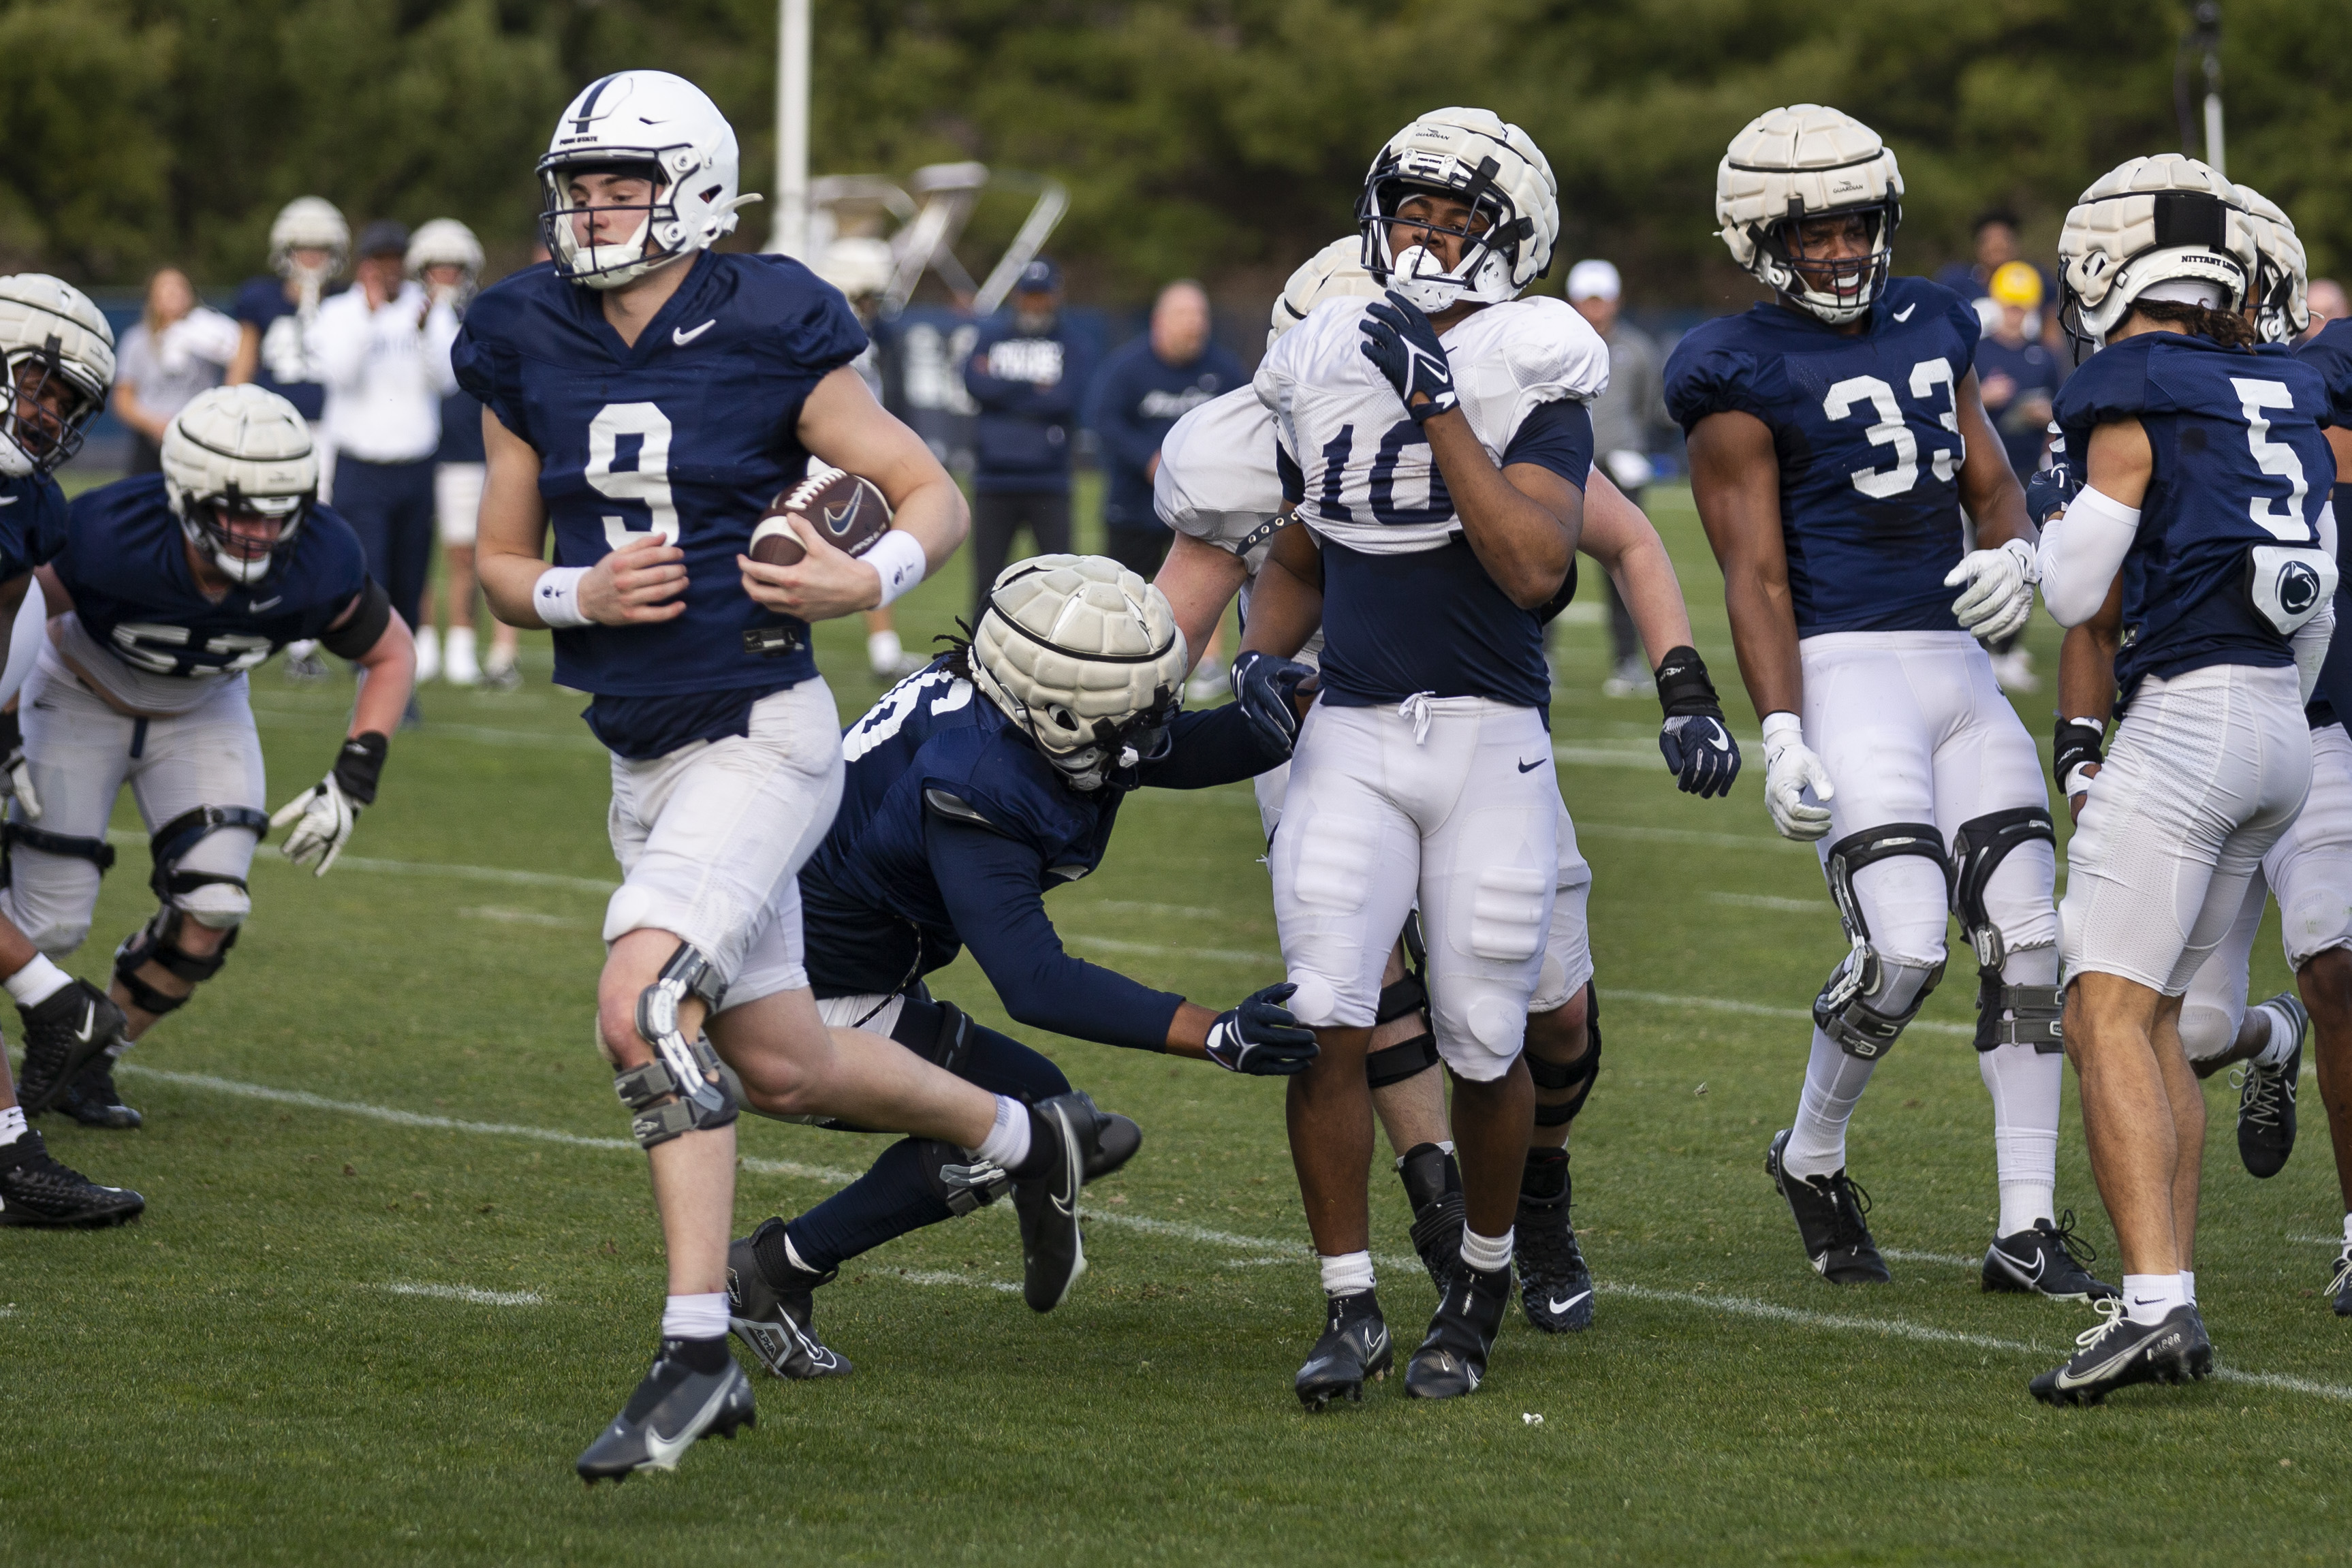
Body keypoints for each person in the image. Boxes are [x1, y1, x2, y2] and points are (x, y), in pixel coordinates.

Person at [460, 70, 1107, 1481]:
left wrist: (857, 574)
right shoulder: (514, 333)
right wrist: (579, 592)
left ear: (693, 187)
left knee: (644, 1008)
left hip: (759, 730)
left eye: (619, 182)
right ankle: (1020, 1130)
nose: (588, 208)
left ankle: (697, 1350)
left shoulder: (770, 319)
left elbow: (923, 486)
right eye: (576, 183)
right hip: (637, 750)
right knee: (786, 1064)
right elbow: (502, 569)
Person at [1155, 237, 1740, 1338]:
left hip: (1482, 734)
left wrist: (1685, 686)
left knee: (1546, 1012)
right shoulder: (1265, 443)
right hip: (1323, 734)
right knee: (1354, 993)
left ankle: (1536, 1196)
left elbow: (1618, 545)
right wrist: (1129, 697)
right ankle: (1436, 1207)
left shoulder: (1488, 415)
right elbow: (1170, 624)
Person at [1667, 105, 2110, 1304]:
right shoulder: (1732, 370)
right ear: (1759, 238)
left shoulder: (1927, 318)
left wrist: (2013, 552)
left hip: (1957, 670)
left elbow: (1989, 478)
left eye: (1857, 224)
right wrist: (1778, 727)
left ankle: (2024, 1222)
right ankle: (1809, 1153)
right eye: (1813, 232)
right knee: (1904, 946)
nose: (1842, 249)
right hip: (1846, 668)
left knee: (2029, 943)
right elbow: (1751, 574)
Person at [726, 554, 1315, 1377]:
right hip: (793, 1006)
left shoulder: (1008, 689)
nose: (1144, 736)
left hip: (816, 961)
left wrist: (1269, 722)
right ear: (1052, 705)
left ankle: (794, 1264)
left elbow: (1143, 742)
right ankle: (773, 1270)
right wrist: (1213, 1032)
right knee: (1016, 1131)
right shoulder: (975, 780)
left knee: (1044, 1109)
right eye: (1123, 720)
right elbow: (1033, 980)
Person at [1237, 106, 1605, 1407]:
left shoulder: (1534, 365)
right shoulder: (1321, 350)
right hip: (1349, 729)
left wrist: (1438, 402)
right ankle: (1348, 1301)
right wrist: (1254, 661)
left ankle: (1480, 1281)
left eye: (1458, 222)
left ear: (1513, 244)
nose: (1427, 239)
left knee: (1481, 1030)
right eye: (1412, 213)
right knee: (1324, 1015)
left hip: (1486, 735)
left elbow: (1535, 567)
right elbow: (1294, 545)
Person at [2027, 157, 2334, 1404]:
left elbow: (2066, 593)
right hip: (2278, 725)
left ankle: (2150, 1303)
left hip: (2187, 720)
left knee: (2100, 1011)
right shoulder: (2284, 386)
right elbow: (2313, 604)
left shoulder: (2128, 386)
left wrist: (2023, 554)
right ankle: (2171, 1293)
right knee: (2156, 1019)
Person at [5, 385, 417, 1129]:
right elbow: (15, 609)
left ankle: (91, 1061)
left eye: (276, 510)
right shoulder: (109, 533)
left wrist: (355, 773)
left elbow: (390, 652)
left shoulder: (323, 556)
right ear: (186, 496)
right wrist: (5, 723)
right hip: (76, 693)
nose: (259, 531)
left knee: (214, 905)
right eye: (237, 509)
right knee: (49, 925)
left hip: (203, 709)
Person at [0, 272, 144, 1225]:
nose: (48, 414)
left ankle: (10, 1148)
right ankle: (53, 1000)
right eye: (36, 384)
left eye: (67, 401)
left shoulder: (29, 506)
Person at [313, 221, 458, 715]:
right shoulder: (340, 312)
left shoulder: (428, 310)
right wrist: (369, 318)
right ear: (366, 266)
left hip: (414, 465)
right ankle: (371, 672)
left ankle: (399, 674)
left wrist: (421, 333)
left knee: (410, 578)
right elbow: (337, 374)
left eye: (398, 262)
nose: (391, 272)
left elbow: (451, 378)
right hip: (361, 464)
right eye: (382, 262)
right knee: (369, 574)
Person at [405, 219, 520, 691]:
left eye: (453, 267)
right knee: (414, 551)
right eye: (437, 266)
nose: (445, 274)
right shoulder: (400, 314)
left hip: (467, 448)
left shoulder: (483, 314)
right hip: (412, 446)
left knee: (462, 553)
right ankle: (422, 639)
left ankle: (461, 642)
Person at [813, 235, 924, 680]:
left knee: (874, 545)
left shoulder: (865, 334)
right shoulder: (819, 333)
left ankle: (884, 650)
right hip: (821, 459)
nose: (872, 304)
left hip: (857, 454)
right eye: (866, 295)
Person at [1088, 281, 1244, 586]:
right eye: (1184, 314)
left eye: (1201, 315)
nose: (1195, 323)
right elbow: (1106, 421)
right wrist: (1150, 459)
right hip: (1136, 508)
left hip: (1204, 509)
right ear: (1159, 321)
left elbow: (1247, 423)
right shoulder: (1126, 369)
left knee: (1200, 602)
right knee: (1124, 602)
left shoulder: (1224, 370)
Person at [1565, 258, 1672, 696]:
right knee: (1550, 561)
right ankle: (1541, 657)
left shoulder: (1637, 348)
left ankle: (1627, 662)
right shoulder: (1555, 344)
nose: (1594, 309)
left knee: (1625, 566)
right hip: (1567, 462)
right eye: (1587, 300)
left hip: (1621, 463)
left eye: (1601, 299)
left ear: (1616, 301)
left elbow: (1649, 406)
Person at [963, 257, 1086, 626]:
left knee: (1063, 580)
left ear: (1055, 296)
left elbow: (1067, 398)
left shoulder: (1072, 341)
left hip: (1049, 480)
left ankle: (1065, 654)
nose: (1035, 303)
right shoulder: (990, 335)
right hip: (993, 479)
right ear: (1017, 297)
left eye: (1042, 295)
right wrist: (1032, 389)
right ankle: (978, 656)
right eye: (1029, 295)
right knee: (986, 580)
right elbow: (973, 383)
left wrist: (1003, 391)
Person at [1972, 259, 2065, 693]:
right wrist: (1984, 398)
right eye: (2008, 306)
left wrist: (2044, 414)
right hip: (1977, 470)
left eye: (2019, 307)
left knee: (2021, 559)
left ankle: (2005, 649)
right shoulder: (1979, 348)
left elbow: (2058, 412)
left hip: (2025, 469)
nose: (2013, 315)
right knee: (1976, 563)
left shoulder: (2042, 356)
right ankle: (1979, 647)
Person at [110, 269, 239, 475]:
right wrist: (154, 424)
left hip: (200, 437)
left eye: (180, 287)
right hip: (151, 442)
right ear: (153, 298)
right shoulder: (136, 341)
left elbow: (240, 361)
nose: (175, 294)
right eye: (167, 289)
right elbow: (124, 399)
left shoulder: (207, 332)